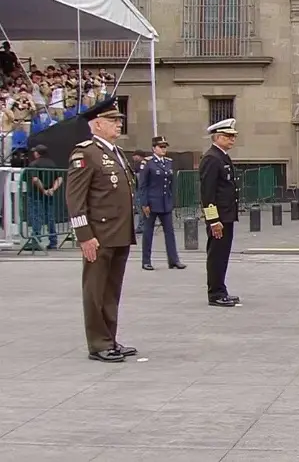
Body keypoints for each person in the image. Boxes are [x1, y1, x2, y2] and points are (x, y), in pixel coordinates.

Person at [64, 97, 137, 362]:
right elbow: (75, 200)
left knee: (111, 289)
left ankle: (110, 338)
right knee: (95, 290)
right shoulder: (86, 153)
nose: (118, 125)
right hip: (99, 235)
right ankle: (98, 343)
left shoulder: (115, 152)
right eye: (112, 121)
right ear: (96, 124)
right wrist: (85, 236)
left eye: (118, 120)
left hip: (119, 232)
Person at [200, 118, 240, 307]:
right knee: (216, 255)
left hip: (227, 215)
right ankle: (215, 293)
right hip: (220, 217)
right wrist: (213, 220)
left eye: (233, 136)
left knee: (222, 255)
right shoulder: (211, 158)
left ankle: (220, 289)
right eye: (229, 136)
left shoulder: (222, 156)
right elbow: (208, 193)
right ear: (218, 137)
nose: (232, 139)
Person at [138, 135, 186, 271]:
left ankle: (174, 260)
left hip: (165, 203)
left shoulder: (168, 162)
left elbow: (171, 183)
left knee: (170, 232)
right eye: (161, 147)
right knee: (148, 232)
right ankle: (146, 261)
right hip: (152, 203)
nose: (163, 149)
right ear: (154, 148)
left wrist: (172, 200)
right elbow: (143, 185)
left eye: (165, 147)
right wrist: (144, 203)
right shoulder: (148, 163)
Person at [24, 144, 62, 250]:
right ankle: (53, 241)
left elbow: (35, 179)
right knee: (50, 217)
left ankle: (36, 239)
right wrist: (52, 189)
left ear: (38, 153)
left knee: (36, 216)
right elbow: (59, 178)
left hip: (36, 194)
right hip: (49, 194)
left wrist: (43, 190)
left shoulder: (34, 164)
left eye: (35, 151)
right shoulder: (52, 164)